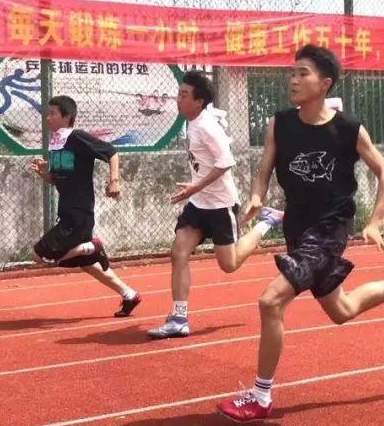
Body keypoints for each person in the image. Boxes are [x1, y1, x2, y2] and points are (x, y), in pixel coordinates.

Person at [215, 45, 384, 423]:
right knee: (342, 310)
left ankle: (260, 396)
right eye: (292, 73)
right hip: (297, 228)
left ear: (324, 84)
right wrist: (257, 195)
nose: (293, 80)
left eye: (302, 73)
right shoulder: (279, 124)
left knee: (270, 302)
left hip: (330, 228)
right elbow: (264, 170)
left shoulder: (348, 129)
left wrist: (375, 221)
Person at [147, 71, 284, 340]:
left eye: (184, 95)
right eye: (179, 94)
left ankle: (267, 222)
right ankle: (179, 318)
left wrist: (195, 186)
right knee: (179, 251)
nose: (178, 99)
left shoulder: (206, 127)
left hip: (220, 205)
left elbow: (226, 162)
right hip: (198, 204)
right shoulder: (194, 121)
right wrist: (196, 190)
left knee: (229, 265)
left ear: (199, 102)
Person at [29, 95, 142, 318]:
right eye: (47, 113)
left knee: (39, 255)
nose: (48, 118)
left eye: (52, 113)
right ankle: (129, 294)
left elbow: (111, 152)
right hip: (67, 210)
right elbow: (57, 180)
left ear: (67, 117)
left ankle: (92, 247)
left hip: (79, 211)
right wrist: (44, 173)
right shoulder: (56, 143)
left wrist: (114, 180)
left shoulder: (77, 137)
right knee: (89, 266)